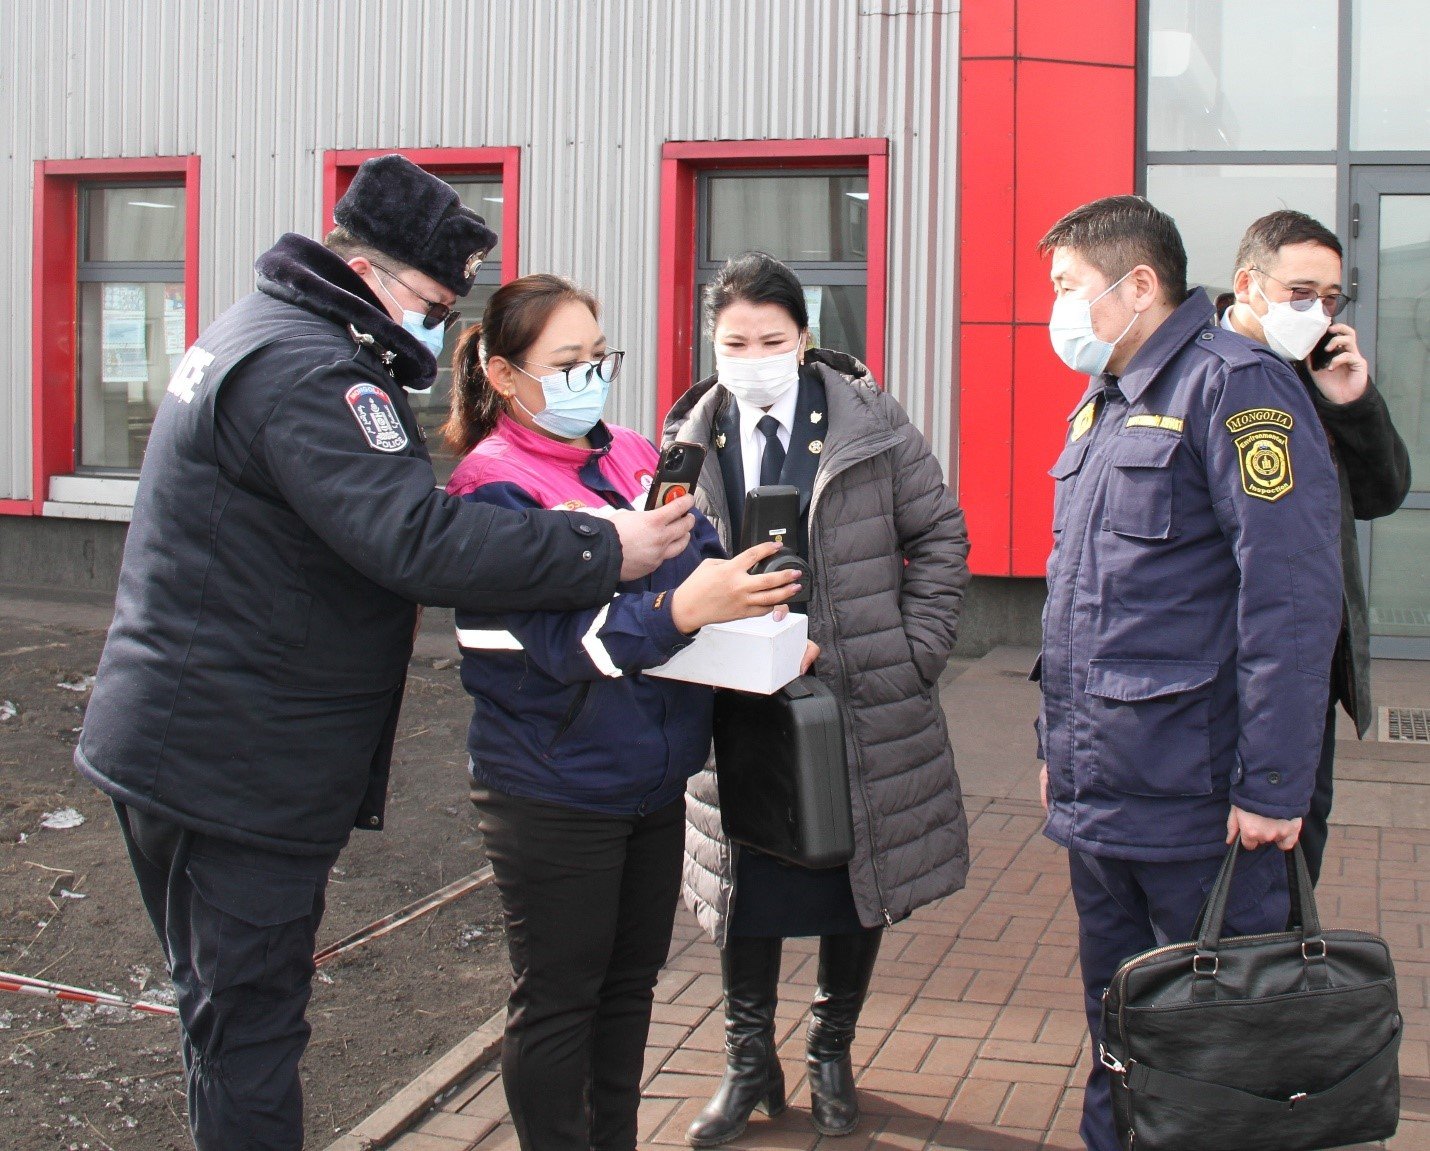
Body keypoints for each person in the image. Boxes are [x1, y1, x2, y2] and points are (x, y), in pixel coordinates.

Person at [74, 155, 696, 1151]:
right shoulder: (314, 369)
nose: (440, 324)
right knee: (251, 1028)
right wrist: (604, 543)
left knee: (222, 1015)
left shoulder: (255, 330)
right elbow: (413, 538)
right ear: (367, 273)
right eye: (432, 300)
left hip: (183, 736)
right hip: (234, 761)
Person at [442, 273, 805, 1151]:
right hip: (552, 786)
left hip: (652, 774)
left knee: (630, 984)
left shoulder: (636, 454)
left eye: (598, 357)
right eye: (565, 362)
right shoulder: (489, 488)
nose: (588, 376)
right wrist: (683, 607)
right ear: (502, 375)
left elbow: (700, 555)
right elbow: (565, 647)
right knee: (561, 996)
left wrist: (748, 603)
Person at [1033, 195, 1344, 1151]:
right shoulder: (1107, 401)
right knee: (1119, 1031)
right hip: (1106, 796)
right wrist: (1057, 748)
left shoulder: (1235, 386)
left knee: (1216, 1061)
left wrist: (1276, 784)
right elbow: (1086, 597)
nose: (1058, 310)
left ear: (1138, 286)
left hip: (1203, 806)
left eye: (1067, 288)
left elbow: (1289, 601)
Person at [665, 252, 972, 1144]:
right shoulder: (688, 434)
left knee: (854, 881)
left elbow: (939, 533)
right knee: (745, 881)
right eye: (735, 340)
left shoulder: (869, 423)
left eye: (772, 337)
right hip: (737, 704)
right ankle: (745, 1056)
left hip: (860, 698)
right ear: (711, 343)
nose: (754, 353)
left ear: (804, 338)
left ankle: (831, 1049)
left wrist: (915, 652)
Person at [1220, 210, 1410, 884]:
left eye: (1331, 298)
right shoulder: (1210, 373)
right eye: (1302, 292)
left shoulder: (1315, 372)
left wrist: (1352, 401)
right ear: (1249, 283)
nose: (1318, 311)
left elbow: (1384, 491)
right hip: (1226, 672)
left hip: (1309, 672)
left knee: (1298, 864)